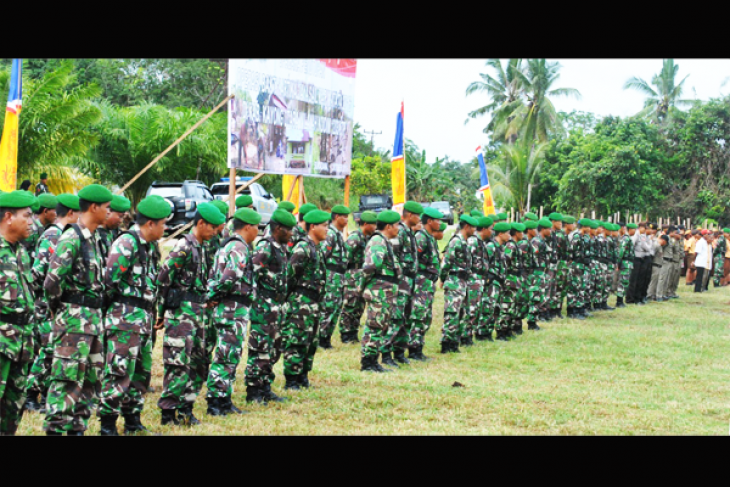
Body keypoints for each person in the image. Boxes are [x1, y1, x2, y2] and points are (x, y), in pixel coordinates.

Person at [43, 184, 113, 436]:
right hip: (73, 323)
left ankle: (77, 429)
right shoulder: (71, 237)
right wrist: (60, 312)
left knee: (90, 381)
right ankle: (57, 430)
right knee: (66, 380)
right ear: (94, 207)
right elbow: (51, 282)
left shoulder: (93, 238)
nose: (109, 211)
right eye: (106, 207)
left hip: (92, 322)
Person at [98, 195, 169, 435]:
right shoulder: (126, 243)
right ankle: (107, 425)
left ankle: (133, 421)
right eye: (163, 223)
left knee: (141, 372)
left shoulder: (149, 247)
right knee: (119, 372)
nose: (166, 228)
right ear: (150, 223)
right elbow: (108, 281)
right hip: (124, 318)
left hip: (143, 318)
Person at [156, 202, 223, 427]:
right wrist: (162, 311)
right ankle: (168, 413)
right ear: (201, 223)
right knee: (178, 362)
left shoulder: (202, 247)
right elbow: (164, 278)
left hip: (199, 313)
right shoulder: (184, 246)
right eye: (212, 227)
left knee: (199, 362)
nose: (215, 232)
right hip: (181, 314)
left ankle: (187, 407)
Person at [25, 194, 78, 413]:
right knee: (47, 350)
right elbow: (39, 274)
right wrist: (46, 302)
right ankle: (30, 394)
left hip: (54, 303)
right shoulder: (54, 234)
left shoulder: (64, 234)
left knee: (52, 349)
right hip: (45, 303)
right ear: (72, 213)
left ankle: (45, 392)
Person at [205, 208, 261, 415]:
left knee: (227, 354)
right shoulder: (239, 247)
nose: (258, 231)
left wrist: (212, 295)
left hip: (228, 308)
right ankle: (217, 402)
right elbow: (229, 278)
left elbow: (213, 275)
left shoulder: (227, 245)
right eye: (257, 227)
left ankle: (223, 399)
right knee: (227, 355)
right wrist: (214, 296)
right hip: (233, 308)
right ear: (248, 227)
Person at [0, 191, 36, 436]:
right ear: (9, 217)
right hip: (2, 342)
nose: (32, 221)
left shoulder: (20, 251)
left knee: (12, 411)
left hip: (20, 343)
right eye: (27, 216)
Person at [247, 210, 294, 399]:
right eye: (288, 230)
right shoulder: (265, 247)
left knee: (274, 349)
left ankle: (265, 386)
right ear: (278, 229)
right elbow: (250, 273)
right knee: (260, 349)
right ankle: (253, 389)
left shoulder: (281, 247)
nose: (292, 233)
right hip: (264, 307)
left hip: (277, 306)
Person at [282, 210, 328, 381]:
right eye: (324, 226)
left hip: (314, 302)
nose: (327, 229)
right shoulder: (302, 248)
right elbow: (290, 276)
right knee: (297, 339)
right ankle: (292, 377)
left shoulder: (316, 248)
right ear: (313, 227)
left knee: (311, 340)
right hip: (301, 302)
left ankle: (303, 375)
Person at [359, 210, 401, 371]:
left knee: (380, 325)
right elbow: (371, 265)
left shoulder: (384, 240)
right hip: (379, 290)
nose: (398, 229)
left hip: (385, 290)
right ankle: (368, 362)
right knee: (374, 326)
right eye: (396, 225)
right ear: (389, 226)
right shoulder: (377, 241)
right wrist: (362, 285)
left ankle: (373, 360)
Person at [382, 201, 423, 366]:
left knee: (406, 317)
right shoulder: (399, 233)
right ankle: (386, 353)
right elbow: (391, 257)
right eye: (418, 216)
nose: (419, 219)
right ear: (410, 215)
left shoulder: (409, 232)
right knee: (396, 317)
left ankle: (399, 351)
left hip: (410, 280)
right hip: (401, 281)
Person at [408, 207, 443, 357]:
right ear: (429, 221)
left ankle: (418, 346)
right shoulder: (421, 237)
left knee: (425, 316)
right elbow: (414, 259)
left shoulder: (429, 237)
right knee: (418, 315)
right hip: (421, 281)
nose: (440, 223)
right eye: (438, 220)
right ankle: (414, 348)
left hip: (428, 282)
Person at [439, 215, 476, 353]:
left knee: (462, 313)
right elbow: (447, 262)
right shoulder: (456, 241)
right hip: (455, 280)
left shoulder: (465, 242)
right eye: (473, 227)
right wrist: (443, 279)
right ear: (466, 227)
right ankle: (446, 343)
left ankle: (454, 341)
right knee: (452, 312)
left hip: (463, 281)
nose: (474, 230)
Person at [340, 211, 377, 345]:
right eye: (373, 224)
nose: (375, 227)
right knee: (350, 304)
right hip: (352, 274)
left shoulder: (368, 237)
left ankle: (353, 332)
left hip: (361, 273)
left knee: (359, 305)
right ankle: (346, 333)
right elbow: (345, 257)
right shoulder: (355, 237)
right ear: (365, 224)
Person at [318, 204, 350, 349]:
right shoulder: (330, 234)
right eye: (344, 217)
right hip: (331, 276)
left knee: (336, 307)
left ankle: (326, 338)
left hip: (339, 276)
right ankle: (320, 338)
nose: (347, 220)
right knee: (328, 307)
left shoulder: (337, 234)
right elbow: (322, 256)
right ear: (336, 217)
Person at [98, 194, 130, 263]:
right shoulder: (94, 233)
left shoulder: (117, 232)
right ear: (109, 212)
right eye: (120, 216)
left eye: (123, 217)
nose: (121, 221)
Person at [532, 218, 553, 321]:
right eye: (549, 229)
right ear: (543, 229)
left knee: (543, 293)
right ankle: (538, 314)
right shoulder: (536, 241)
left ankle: (543, 312)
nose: (551, 231)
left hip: (543, 270)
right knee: (537, 294)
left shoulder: (543, 240)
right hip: (537, 271)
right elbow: (533, 256)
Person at [615, 223, 637, 307]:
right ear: (630, 229)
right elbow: (621, 251)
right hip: (625, 262)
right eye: (634, 229)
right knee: (623, 281)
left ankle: (621, 300)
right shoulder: (626, 238)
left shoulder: (628, 238)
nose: (635, 231)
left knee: (625, 282)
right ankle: (619, 301)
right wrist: (619, 263)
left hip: (629, 262)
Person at [648, 234, 668, 300]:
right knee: (653, 281)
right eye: (665, 242)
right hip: (655, 265)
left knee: (655, 281)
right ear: (663, 240)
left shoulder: (659, 246)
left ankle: (652, 294)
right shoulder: (656, 245)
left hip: (658, 265)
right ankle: (649, 295)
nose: (664, 244)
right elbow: (651, 255)